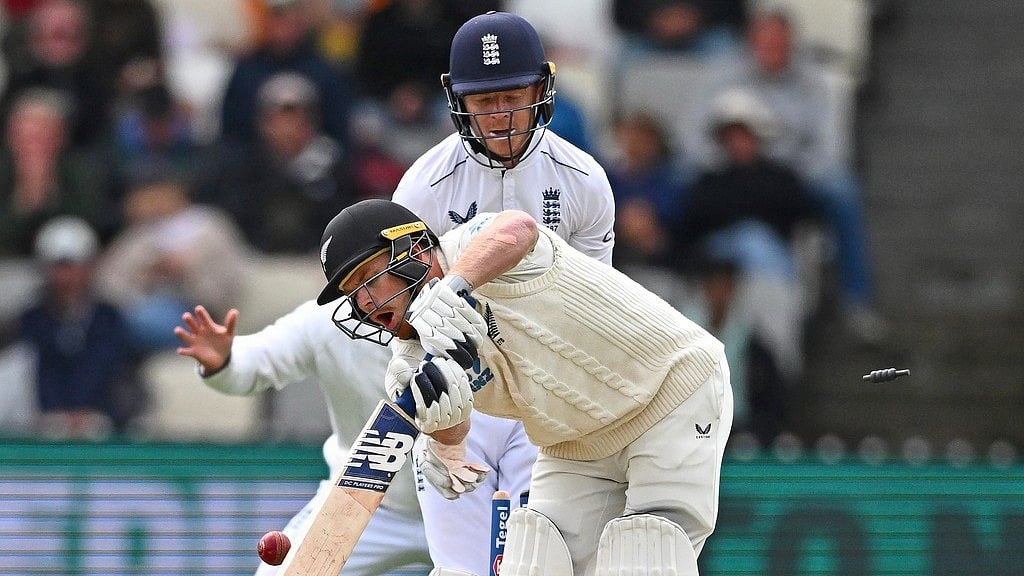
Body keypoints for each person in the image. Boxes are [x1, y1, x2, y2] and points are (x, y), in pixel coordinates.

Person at [316, 198, 733, 576]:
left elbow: (519, 228)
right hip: (575, 443)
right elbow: (453, 421)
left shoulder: (474, 244)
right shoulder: (412, 359)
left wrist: (455, 288)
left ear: (412, 252)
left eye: (370, 278)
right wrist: (446, 440)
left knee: (645, 553)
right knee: (534, 562)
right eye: (354, 294)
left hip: (671, 392)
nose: (365, 303)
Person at [390, 11, 616, 575]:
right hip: (461, 397)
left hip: (547, 401)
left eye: (513, 97)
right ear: (457, 101)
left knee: (536, 569)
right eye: (484, 101)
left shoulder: (583, 181)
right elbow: (405, 318)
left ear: (542, 89)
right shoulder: (421, 187)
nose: (501, 117)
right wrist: (432, 420)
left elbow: (593, 312)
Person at [16, 216, 138, 439]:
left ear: (89, 266)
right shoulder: (32, 318)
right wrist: (55, 412)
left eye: (72, 266)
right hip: (43, 419)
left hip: (102, 419)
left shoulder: (108, 317)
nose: (66, 277)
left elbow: (108, 366)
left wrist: (87, 411)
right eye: (58, 267)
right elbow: (38, 368)